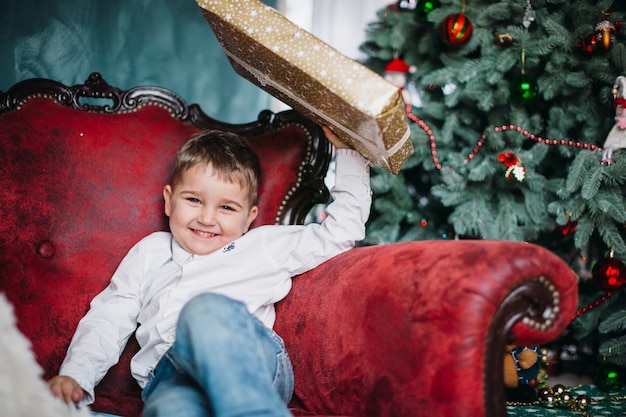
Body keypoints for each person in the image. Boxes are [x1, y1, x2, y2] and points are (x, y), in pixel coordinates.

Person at [48, 126, 372, 416]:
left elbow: (341, 232)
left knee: (202, 311)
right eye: (193, 200)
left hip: (251, 365)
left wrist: (349, 154)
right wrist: (76, 376)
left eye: (226, 207)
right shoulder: (150, 252)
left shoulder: (264, 246)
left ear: (249, 218)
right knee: (169, 408)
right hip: (170, 378)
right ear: (169, 201)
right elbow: (110, 316)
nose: (206, 218)